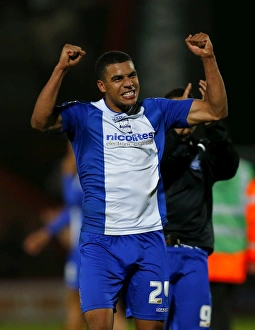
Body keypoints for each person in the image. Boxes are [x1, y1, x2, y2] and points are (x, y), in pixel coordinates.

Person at [30, 32, 228, 330]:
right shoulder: (84, 115)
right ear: (102, 86)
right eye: (119, 78)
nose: (129, 83)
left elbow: (216, 109)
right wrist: (60, 70)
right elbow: (40, 121)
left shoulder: (158, 110)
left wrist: (208, 59)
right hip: (100, 242)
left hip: (149, 240)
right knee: (99, 326)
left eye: (132, 75)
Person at [23, 142, 129, 330]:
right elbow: (71, 209)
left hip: (95, 246)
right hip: (78, 250)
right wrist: (45, 233)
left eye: (73, 147)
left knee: (109, 307)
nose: (70, 152)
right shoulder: (70, 173)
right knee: (75, 305)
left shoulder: (96, 171)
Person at [161, 80, 239, 330]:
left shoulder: (203, 151)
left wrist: (213, 121)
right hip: (155, 253)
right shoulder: (146, 150)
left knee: (194, 327)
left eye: (188, 112)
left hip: (194, 254)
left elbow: (229, 166)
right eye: (176, 113)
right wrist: (175, 133)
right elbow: (156, 167)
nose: (183, 119)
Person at [208, 158, 255, 330]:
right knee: (223, 314)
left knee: (202, 314)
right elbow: (252, 214)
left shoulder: (201, 160)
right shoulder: (244, 171)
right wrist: (252, 256)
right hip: (233, 255)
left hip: (204, 254)